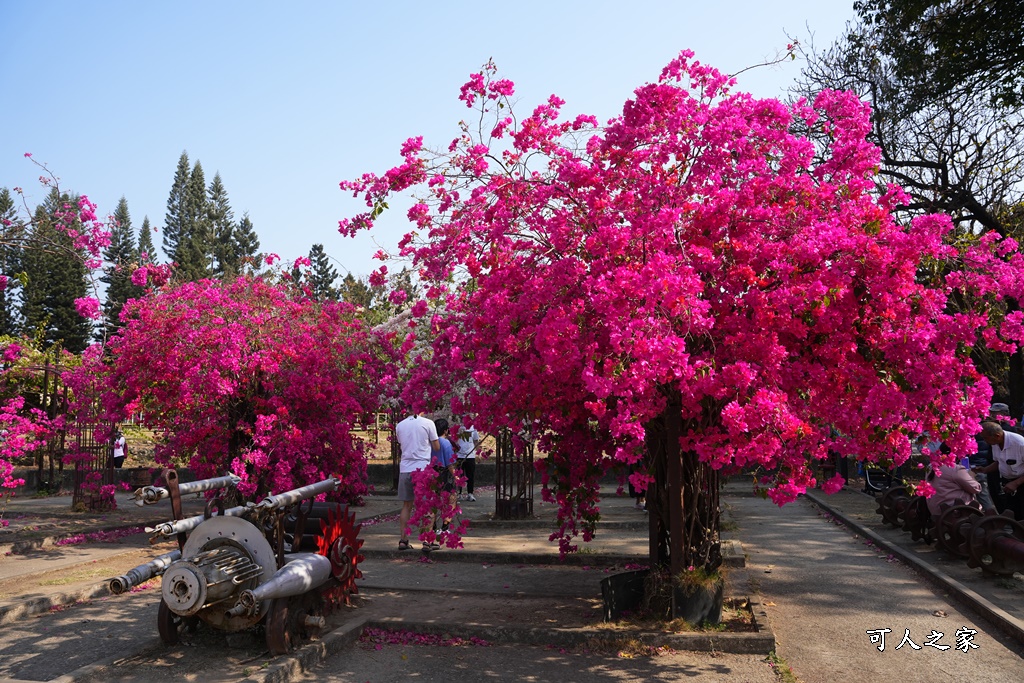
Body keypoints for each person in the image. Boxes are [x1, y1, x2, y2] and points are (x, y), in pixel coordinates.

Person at [395, 410, 439, 551]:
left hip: (405, 469)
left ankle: (403, 540)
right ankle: (427, 541)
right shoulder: (428, 423)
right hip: (422, 469)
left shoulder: (400, 425)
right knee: (427, 505)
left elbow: (402, 443)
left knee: (407, 505)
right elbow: (436, 447)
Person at [974, 421, 1024, 520]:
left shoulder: (1020, 444)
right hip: (1008, 482)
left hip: (1020, 481)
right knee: (1011, 513)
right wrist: (985, 469)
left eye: (985, 438)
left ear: (997, 435)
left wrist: (1016, 483)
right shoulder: (995, 442)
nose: (984, 441)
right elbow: (999, 461)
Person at [924, 453, 982, 519]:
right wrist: (971, 475)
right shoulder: (955, 469)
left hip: (936, 511)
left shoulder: (930, 466)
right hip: (956, 512)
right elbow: (976, 488)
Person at [432, 418, 458, 535]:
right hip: (444, 472)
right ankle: (445, 527)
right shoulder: (446, 443)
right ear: (446, 430)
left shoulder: (431, 442)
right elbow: (450, 463)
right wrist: (456, 476)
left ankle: (432, 527)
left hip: (432, 471)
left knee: (434, 500)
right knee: (451, 499)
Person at [455, 422, 481, 502]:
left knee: (470, 475)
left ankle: (470, 493)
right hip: (459, 455)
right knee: (459, 475)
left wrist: (478, 453)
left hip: (470, 455)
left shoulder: (473, 428)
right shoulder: (456, 427)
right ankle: (459, 493)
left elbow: (475, 441)